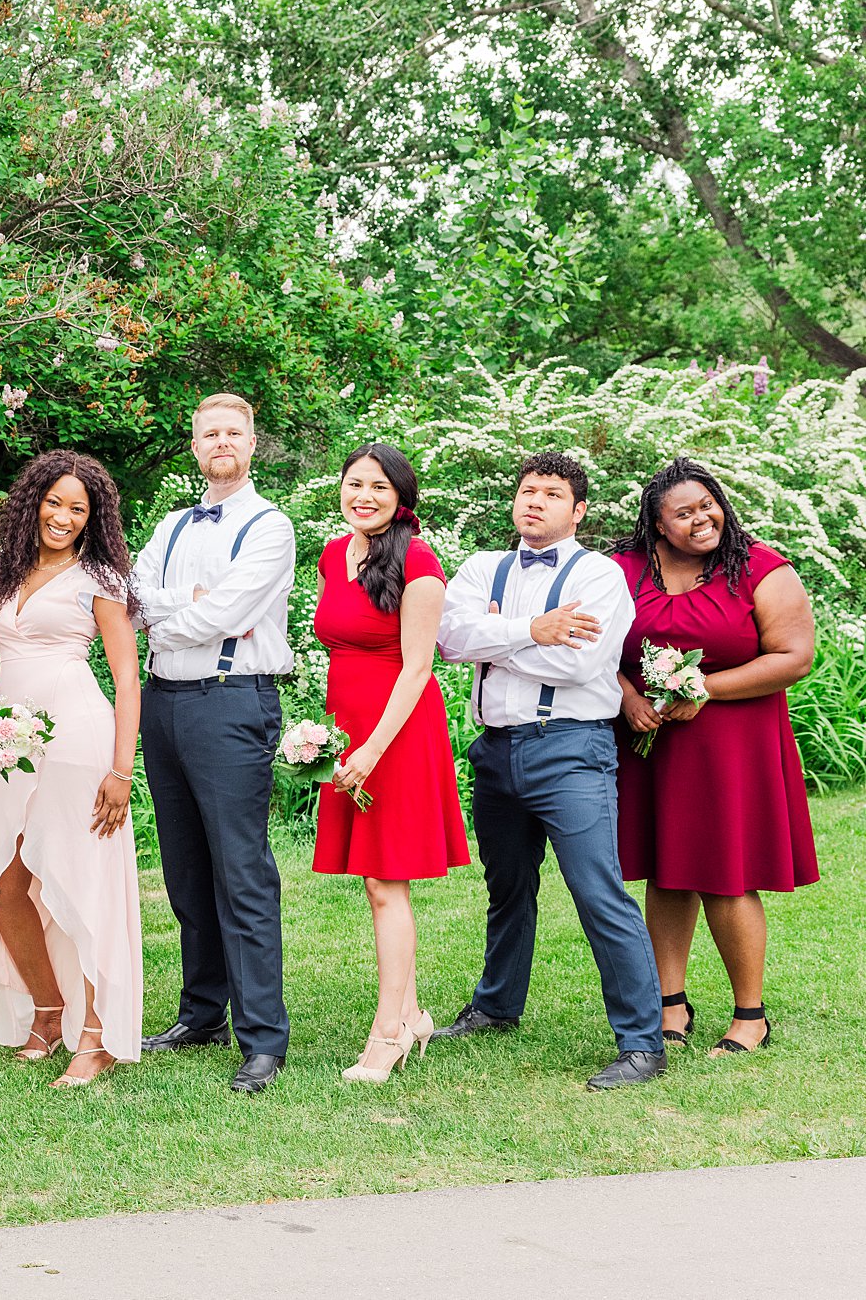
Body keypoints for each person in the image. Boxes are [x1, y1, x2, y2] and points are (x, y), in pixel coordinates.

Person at [433, 451, 664, 1090]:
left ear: (578, 510)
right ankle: (497, 1005)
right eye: (528, 490)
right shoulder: (484, 567)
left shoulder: (601, 575)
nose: (535, 501)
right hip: (496, 750)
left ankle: (643, 1043)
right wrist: (536, 630)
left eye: (552, 493)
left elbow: (582, 667)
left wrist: (497, 642)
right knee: (507, 886)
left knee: (598, 891)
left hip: (571, 752)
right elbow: (449, 641)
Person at [0, 450, 143, 1091]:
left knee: (78, 881)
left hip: (77, 737)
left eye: (77, 509)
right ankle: (47, 1007)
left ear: (93, 520)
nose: (61, 516)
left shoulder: (101, 580)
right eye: (53, 502)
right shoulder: (1, 569)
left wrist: (122, 768)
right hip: (11, 742)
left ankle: (94, 1034)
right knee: (7, 886)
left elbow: (125, 679)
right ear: (32, 501)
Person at [611, 458, 817, 1057]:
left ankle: (750, 1015)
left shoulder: (759, 567)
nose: (703, 519)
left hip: (733, 742)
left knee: (728, 876)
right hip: (650, 739)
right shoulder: (625, 570)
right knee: (666, 870)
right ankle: (669, 1005)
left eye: (708, 505)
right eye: (684, 513)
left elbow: (793, 657)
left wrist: (702, 687)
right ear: (656, 524)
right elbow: (596, 646)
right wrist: (626, 696)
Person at [130, 393, 295, 1094]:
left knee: (241, 872)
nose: (221, 441)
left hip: (232, 702)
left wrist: (175, 612)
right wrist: (183, 607)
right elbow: (130, 599)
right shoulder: (169, 524)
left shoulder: (270, 525)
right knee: (186, 870)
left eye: (233, 432)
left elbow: (228, 612)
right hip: (163, 705)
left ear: (252, 443)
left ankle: (263, 1038)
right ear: (194, 445)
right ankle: (201, 1014)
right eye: (209, 433)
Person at [309, 444, 468, 1083]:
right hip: (347, 726)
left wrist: (372, 750)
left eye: (378, 486)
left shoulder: (420, 561)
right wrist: (329, 741)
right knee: (370, 879)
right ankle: (413, 1013)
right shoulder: (333, 554)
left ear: (402, 497)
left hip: (397, 731)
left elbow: (418, 668)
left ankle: (390, 1032)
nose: (364, 496)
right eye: (355, 484)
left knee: (384, 882)